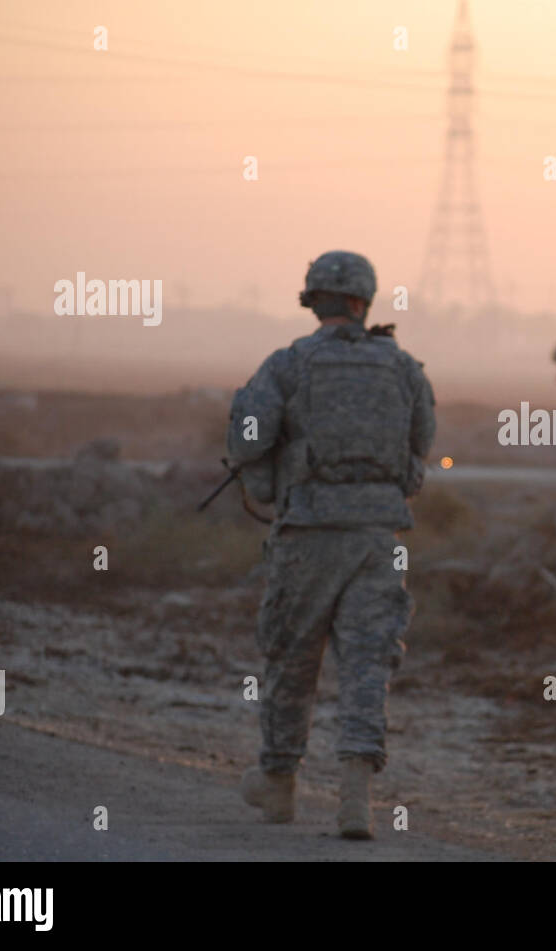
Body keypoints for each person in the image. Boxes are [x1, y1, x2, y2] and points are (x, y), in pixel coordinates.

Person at [226, 250, 435, 839]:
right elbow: (423, 441)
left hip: (309, 536)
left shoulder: (289, 364)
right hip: (378, 536)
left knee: (293, 658)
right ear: (364, 302)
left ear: (313, 300)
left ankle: (279, 783)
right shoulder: (403, 366)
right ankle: (355, 798)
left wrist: (262, 462)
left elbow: (247, 439)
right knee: (368, 662)